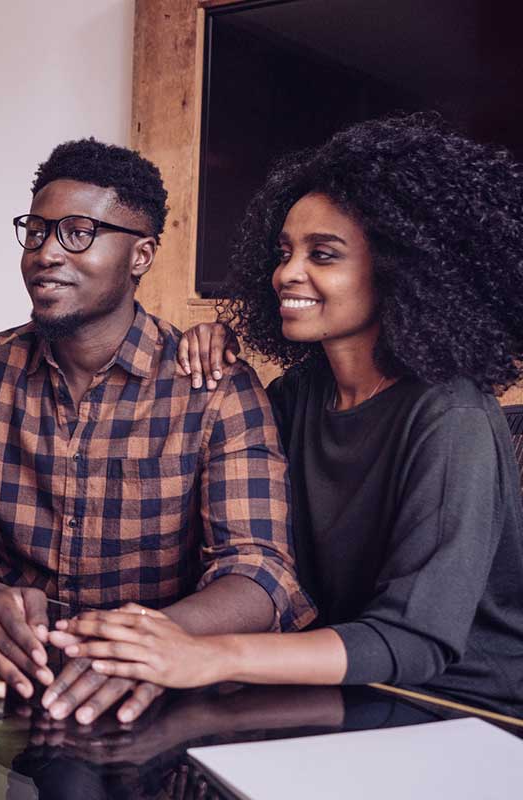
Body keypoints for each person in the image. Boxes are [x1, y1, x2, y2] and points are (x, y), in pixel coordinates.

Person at [57, 113, 523, 717]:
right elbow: (248, 547)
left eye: (323, 255)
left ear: (402, 269)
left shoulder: (451, 417)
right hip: (330, 686)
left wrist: (212, 656)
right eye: (284, 252)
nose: (286, 274)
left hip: (457, 710)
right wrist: (209, 378)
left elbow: (414, 639)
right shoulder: (298, 397)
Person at [0, 139, 315, 726]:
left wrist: (145, 643)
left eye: (78, 232)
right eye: (36, 231)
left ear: (141, 255)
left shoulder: (215, 388)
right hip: (14, 672)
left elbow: (260, 571)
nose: (46, 253)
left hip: (160, 692)